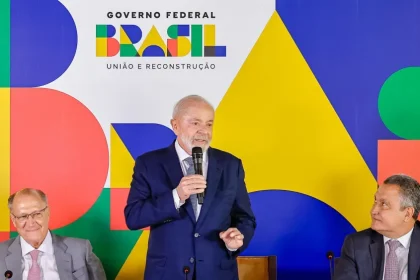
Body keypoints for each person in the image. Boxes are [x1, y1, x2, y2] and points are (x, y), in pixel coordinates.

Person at [124, 95, 256, 280]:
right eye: (195, 123)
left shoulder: (230, 164)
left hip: (217, 273)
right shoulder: (149, 164)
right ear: (175, 125)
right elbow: (133, 217)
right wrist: (176, 196)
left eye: (209, 124)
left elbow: (245, 218)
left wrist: (235, 242)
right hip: (167, 274)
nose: (204, 131)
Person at [0, 188, 107, 280]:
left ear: (48, 213)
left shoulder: (81, 251)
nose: (31, 223)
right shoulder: (1, 254)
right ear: (13, 220)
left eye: (37, 214)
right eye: (23, 216)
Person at [334, 174, 420, 280]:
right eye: (375, 201)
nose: (373, 211)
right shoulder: (356, 244)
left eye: (384, 204)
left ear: (407, 214)